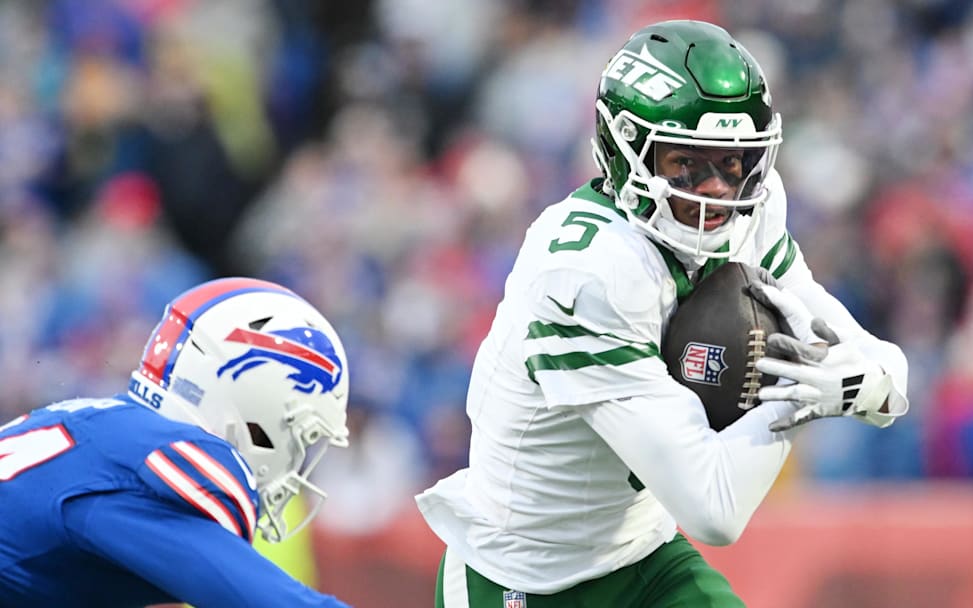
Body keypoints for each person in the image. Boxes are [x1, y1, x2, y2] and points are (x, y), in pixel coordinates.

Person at [415, 20, 910, 608]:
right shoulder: (589, 272)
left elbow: (875, 369)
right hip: (524, 578)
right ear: (625, 153)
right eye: (687, 163)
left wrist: (864, 379)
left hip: (643, 554)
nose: (718, 192)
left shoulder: (750, 214)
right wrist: (800, 392)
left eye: (733, 163)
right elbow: (714, 508)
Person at [0, 277, 354, 608]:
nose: (297, 463)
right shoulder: (150, 466)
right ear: (256, 412)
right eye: (301, 438)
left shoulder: (93, 426)